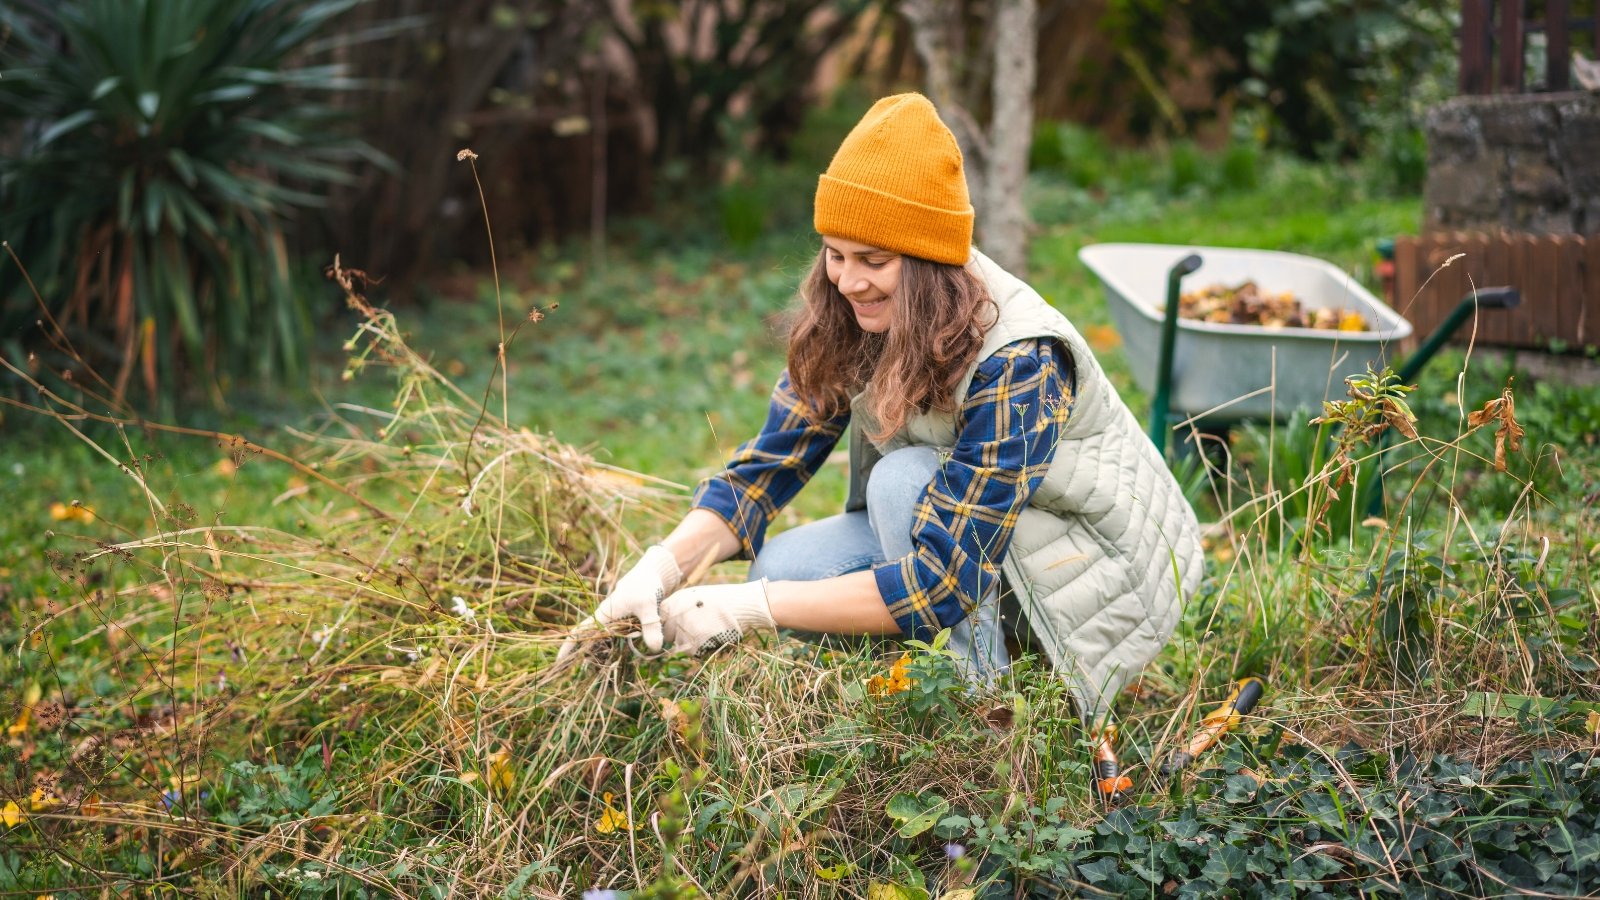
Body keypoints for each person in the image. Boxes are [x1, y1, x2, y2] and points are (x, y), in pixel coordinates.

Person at [558, 93, 1203, 726]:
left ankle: (991, 717)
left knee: (898, 483)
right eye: (835, 255)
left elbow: (943, 579)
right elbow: (766, 471)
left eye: (874, 260)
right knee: (785, 570)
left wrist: (747, 608)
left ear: (930, 263)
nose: (848, 280)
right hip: (971, 536)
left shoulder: (1020, 357)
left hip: (1088, 567)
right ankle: (928, 675)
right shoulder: (856, 314)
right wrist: (662, 569)